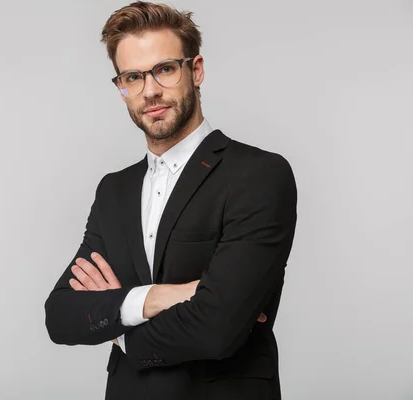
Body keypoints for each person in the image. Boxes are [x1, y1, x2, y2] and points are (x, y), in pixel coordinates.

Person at [44, 2, 297, 399]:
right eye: (132, 76)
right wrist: (162, 296)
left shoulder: (259, 174)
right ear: (121, 87)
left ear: (195, 70)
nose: (150, 91)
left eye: (164, 69)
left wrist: (121, 332)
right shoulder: (114, 190)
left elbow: (218, 328)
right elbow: (60, 316)